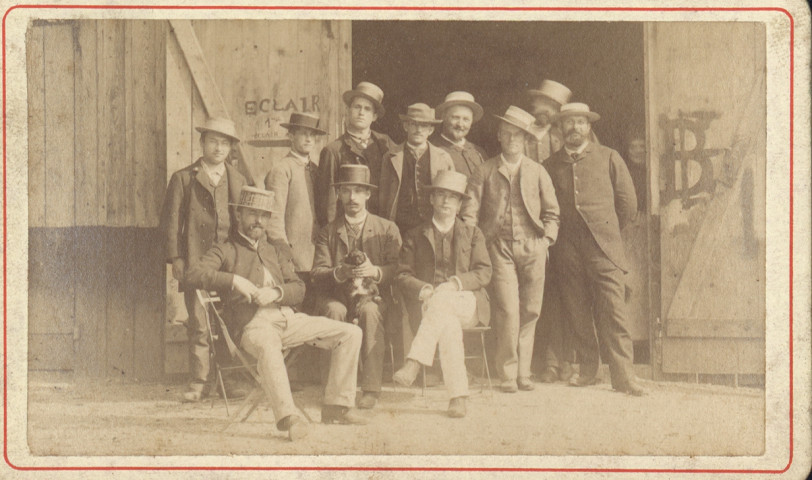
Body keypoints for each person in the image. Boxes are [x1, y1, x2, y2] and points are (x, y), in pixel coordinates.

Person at [185, 186, 367, 442]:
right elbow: (192, 275)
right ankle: (288, 418)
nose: (258, 221)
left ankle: (337, 405)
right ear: (239, 216)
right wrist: (235, 280)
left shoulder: (274, 251)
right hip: (252, 326)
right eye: (252, 214)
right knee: (269, 346)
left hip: (288, 319)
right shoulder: (224, 249)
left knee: (350, 332)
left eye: (264, 215)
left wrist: (277, 293)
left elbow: (299, 288)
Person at [544, 103, 645, 396]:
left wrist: (607, 233)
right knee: (577, 311)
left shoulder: (609, 157)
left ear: (589, 127)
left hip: (604, 248)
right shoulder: (550, 166)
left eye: (580, 122)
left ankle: (624, 377)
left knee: (614, 311)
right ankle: (588, 370)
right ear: (560, 129)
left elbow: (628, 205)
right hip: (567, 250)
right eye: (568, 123)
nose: (574, 128)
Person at [461, 106, 560, 393]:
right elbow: (470, 213)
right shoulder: (485, 170)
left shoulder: (538, 171)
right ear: (499, 136)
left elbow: (553, 212)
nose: (513, 139)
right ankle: (507, 373)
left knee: (531, 310)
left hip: (533, 247)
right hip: (498, 247)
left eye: (518, 135)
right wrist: (476, 246)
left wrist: (546, 241)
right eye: (507, 134)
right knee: (507, 309)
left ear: (527, 140)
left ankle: (524, 373)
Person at [160, 117, 248, 403]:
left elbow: (243, 226)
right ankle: (199, 381)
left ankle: (230, 379)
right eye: (213, 141)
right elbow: (171, 223)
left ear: (231, 148)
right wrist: (176, 259)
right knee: (199, 321)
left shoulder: (237, 180)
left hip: (227, 264)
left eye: (225, 143)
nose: (219, 148)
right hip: (196, 261)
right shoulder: (184, 178)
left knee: (229, 319)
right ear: (202, 143)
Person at [393, 170, 492, 418]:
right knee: (447, 325)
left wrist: (457, 283)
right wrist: (424, 288)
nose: (446, 202)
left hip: (467, 302)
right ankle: (458, 397)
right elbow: (402, 275)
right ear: (431, 200)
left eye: (452, 197)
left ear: (460, 204)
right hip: (432, 305)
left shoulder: (473, 233)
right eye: (440, 195)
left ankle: (414, 361)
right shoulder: (415, 235)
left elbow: (484, 272)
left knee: (444, 300)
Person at [311, 165, 402, 410]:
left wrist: (376, 272)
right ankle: (332, 387)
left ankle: (371, 388)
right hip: (337, 297)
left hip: (373, 299)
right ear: (339, 195)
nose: (352, 198)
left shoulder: (386, 228)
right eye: (346, 191)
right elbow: (317, 273)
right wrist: (339, 272)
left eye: (358, 191)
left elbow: (399, 269)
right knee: (334, 312)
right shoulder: (328, 232)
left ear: (368, 195)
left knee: (370, 312)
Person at [316, 82, 394, 227]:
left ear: (374, 116)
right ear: (348, 110)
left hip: (379, 227)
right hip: (346, 227)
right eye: (357, 107)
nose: (361, 113)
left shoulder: (386, 145)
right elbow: (328, 204)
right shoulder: (333, 151)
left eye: (367, 109)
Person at [264, 111, 327, 280]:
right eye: (303, 134)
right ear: (291, 136)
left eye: (312, 135)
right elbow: (274, 220)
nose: (308, 139)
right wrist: (285, 256)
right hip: (294, 260)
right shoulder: (282, 170)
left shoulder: (317, 170)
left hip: (318, 258)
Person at [379, 103, 456, 233]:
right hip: (399, 226)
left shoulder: (443, 158)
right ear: (405, 126)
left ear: (430, 130)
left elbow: (452, 196)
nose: (419, 130)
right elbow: (383, 196)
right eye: (414, 124)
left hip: (431, 226)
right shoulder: (391, 157)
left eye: (424, 125)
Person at [432, 91, 488, 178]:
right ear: (443, 116)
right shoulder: (431, 149)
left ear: (471, 122)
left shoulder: (479, 152)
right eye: (455, 117)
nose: (460, 124)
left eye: (466, 119)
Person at [525, 80, 571, 163]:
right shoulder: (519, 130)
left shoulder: (562, 137)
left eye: (554, 107)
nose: (548, 110)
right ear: (535, 101)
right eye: (545, 103)